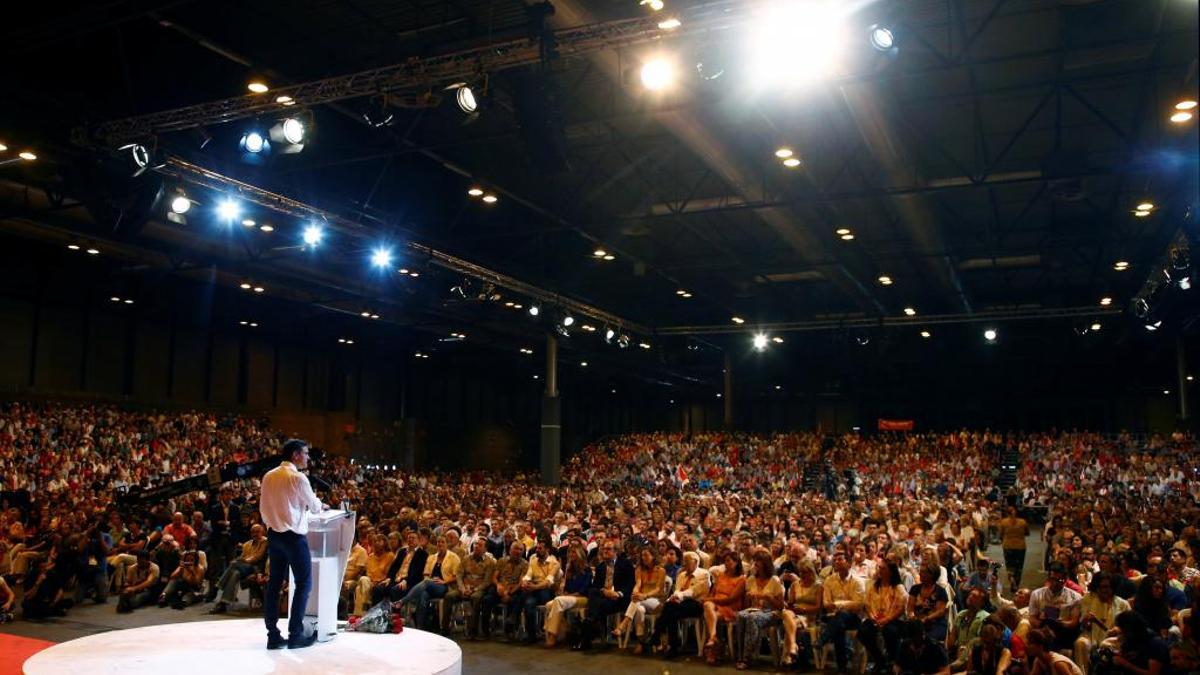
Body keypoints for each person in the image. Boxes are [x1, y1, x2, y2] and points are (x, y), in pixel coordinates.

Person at [259, 438, 325, 650]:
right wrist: (319, 505)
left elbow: (263, 509)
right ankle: (295, 635)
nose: (307, 457)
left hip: (274, 535)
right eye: (305, 453)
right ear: (296, 454)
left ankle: (272, 635)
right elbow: (315, 507)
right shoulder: (298, 477)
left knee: (274, 585)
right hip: (294, 538)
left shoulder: (268, 476)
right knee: (304, 583)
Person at [573, 539, 634, 651]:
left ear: (616, 551)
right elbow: (596, 585)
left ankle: (587, 631)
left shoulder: (625, 564)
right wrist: (603, 591)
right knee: (593, 592)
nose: (605, 551)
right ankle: (590, 628)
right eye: (604, 549)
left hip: (618, 599)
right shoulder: (601, 567)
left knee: (596, 607)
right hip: (604, 597)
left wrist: (618, 593)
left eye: (608, 549)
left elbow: (630, 584)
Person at [652, 550, 710, 658]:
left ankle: (657, 634)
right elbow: (677, 589)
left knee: (670, 608)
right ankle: (673, 647)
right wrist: (675, 597)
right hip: (680, 603)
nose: (684, 564)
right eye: (684, 561)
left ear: (696, 562)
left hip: (696, 603)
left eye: (687, 562)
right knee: (671, 612)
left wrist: (679, 596)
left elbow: (694, 591)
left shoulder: (704, 574)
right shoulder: (682, 574)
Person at [735, 549, 785, 670]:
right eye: (755, 561)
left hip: (771, 612)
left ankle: (748, 657)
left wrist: (768, 597)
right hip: (754, 609)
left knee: (752, 618)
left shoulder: (774, 580)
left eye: (759, 561)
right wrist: (748, 598)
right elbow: (747, 605)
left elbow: (781, 606)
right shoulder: (751, 579)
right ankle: (740, 654)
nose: (755, 563)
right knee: (740, 615)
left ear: (766, 563)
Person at [611, 545, 666, 650]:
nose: (643, 558)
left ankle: (623, 625)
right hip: (641, 600)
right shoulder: (639, 569)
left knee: (636, 601)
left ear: (653, 556)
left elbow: (658, 589)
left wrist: (645, 595)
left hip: (656, 600)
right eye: (642, 556)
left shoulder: (661, 570)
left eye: (646, 555)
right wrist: (635, 592)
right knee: (639, 610)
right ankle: (642, 641)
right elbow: (638, 584)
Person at [822, 550, 867, 674]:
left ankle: (824, 638)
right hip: (833, 618)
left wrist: (837, 604)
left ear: (849, 563)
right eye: (835, 560)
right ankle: (843, 662)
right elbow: (826, 604)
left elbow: (858, 605)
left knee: (840, 618)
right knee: (839, 625)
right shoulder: (829, 580)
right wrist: (845, 605)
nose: (836, 562)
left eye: (840, 559)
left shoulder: (858, 581)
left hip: (853, 618)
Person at [860, 559, 908, 674]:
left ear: (890, 572)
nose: (879, 570)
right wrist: (872, 616)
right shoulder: (874, 586)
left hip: (892, 619)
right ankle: (880, 659)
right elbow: (867, 604)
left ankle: (893, 661)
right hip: (875, 618)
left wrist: (887, 619)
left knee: (890, 631)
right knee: (862, 632)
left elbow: (901, 607)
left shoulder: (898, 587)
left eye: (883, 568)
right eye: (879, 568)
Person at [1075, 572, 1130, 675]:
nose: (1104, 590)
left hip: (1115, 639)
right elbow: (1083, 624)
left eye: (1107, 587)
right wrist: (1086, 620)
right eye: (1101, 587)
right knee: (1081, 643)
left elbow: (1130, 627)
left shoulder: (1122, 604)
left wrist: (1119, 629)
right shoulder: (1088, 599)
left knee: (1106, 645)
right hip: (1091, 634)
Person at [209, 524, 268, 613]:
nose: (255, 534)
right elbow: (242, 557)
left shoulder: (265, 541)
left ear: (262, 532)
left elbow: (257, 557)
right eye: (253, 532)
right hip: (243, 568)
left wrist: (242, 561)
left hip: (256, 568)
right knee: (235, 573)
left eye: (257, 531)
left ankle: (217, 587)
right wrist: (240, 561)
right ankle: (223, 603)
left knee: (234, 564)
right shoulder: (247, 544)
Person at [544, 547, 592, 647]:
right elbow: (567, 588)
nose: (571, 555)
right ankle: (563, 631)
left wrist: (567, 596)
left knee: (558, 601)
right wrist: (564, 593)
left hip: (583, 598)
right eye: (570, 553)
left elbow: (583, 590)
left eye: (574, 553)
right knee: (549, 605)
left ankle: (552, 635)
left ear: (579, 555)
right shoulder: (569, 570)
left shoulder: (587, 570)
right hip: (569, 598)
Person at [1029, 562, 1082, 652]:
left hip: (1064, 630)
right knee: (1046, 626)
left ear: (1065, 579)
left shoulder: (1075, 597)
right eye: (1052, 579)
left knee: (1054, 626)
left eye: (1058, 580)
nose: (1054, 583)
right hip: (1043, 628)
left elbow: (1074, 622)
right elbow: (1032, 618)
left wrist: (1061, 623)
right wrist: (1042, 624)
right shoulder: (1037, 594)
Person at [704, 549, 746, 659]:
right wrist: (709, 599)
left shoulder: (741, 579)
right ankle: (713, 638)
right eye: (725, 561)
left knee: (711, 614)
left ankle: (714, 651)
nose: (725, 564)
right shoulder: (721, 576)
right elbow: (713, 593)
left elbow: (731, 599)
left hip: (730, 607)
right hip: (715, 605)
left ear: (736, 562)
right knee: (708, 607)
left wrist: (711, 600)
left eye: (728, 561)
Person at [782, 559, 823, 668]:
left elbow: (818, 607)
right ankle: (793, 647)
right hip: (795, 613)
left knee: (789, 623)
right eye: (800, 572)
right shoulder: (795, 584)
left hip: (809, 616)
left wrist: (804, 609)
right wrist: (787, 604)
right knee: (787, 614)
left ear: (811, 572)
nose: (802, 575)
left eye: (805, 572)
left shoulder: (818, 586)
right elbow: (791, 602)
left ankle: (789, 654)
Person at [455, 537, 496, 640]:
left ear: (485, 549)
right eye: (475, 544)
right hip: (464, 587)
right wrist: (462, 588)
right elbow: (459, 575)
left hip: (479, 589)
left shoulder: (490, 562)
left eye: (480, 545)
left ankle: (473, 630)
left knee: (475, 597)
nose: (476, 546)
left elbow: (487, 582)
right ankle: (444, 628)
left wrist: (473, 589)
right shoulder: (466, 558)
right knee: (449, 596)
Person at [999, 506, 1029, 589]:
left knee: (1009, 565)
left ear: (1006, 513)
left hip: (1008, 545)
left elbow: (1000, 535)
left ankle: (1011, 578)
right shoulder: (1023, 522)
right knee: (1019, 566)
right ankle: (1017, 581)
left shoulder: (1003, 522)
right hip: (1020, 546)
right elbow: (1027, 533)